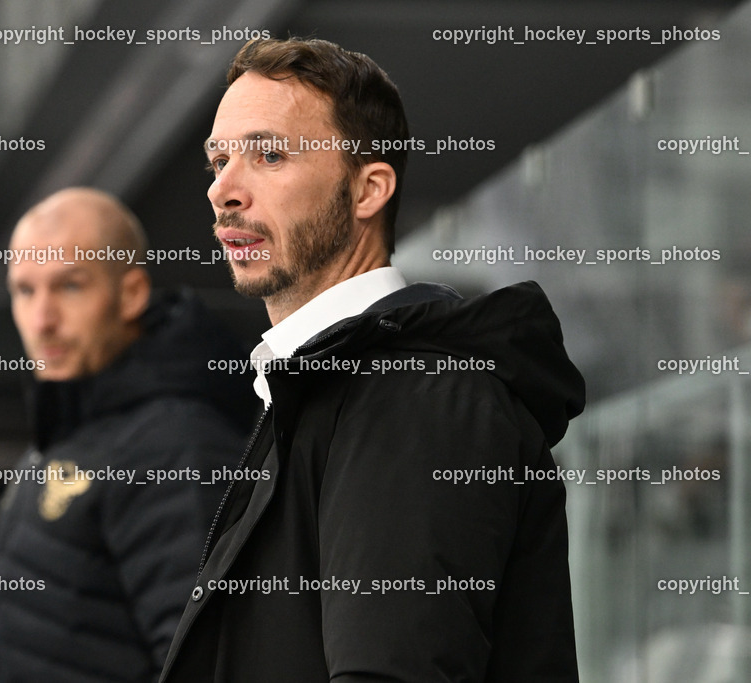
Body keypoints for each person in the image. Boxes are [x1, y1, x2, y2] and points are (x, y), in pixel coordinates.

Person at [158, 38, 586, 682]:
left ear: (368, 190)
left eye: (269, 155)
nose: (224, 190)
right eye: (219, 160)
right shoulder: (328, 389)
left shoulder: (412, 395)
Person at [0, 187, 255, 682]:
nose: (42, 320)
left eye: (70, 286)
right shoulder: (72, 418)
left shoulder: (176, 446)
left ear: (131, 294)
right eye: (25, 291)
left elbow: (211, 667)